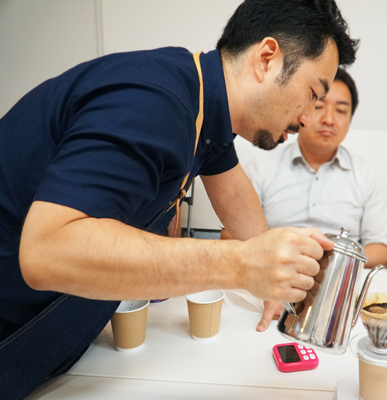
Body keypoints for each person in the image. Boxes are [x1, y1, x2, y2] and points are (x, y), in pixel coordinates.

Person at [0, 0, 358, 397]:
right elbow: (46, 250)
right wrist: (241, 264)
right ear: (267, 58)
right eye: (311, 93)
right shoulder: (153, 102)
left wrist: (274, 280)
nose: (308, 117)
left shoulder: (208, 109)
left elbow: (233, 190)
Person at [221, 68, 387, 328]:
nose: (329, 119)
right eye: (320, 106)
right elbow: (228, 236)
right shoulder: (263, 167)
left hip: (339, 292)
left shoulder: (366, 176)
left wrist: (329, 265)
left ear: (349, 119)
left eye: (341, 110)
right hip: (270, 288)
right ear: (301, 111)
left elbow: (381, 250)